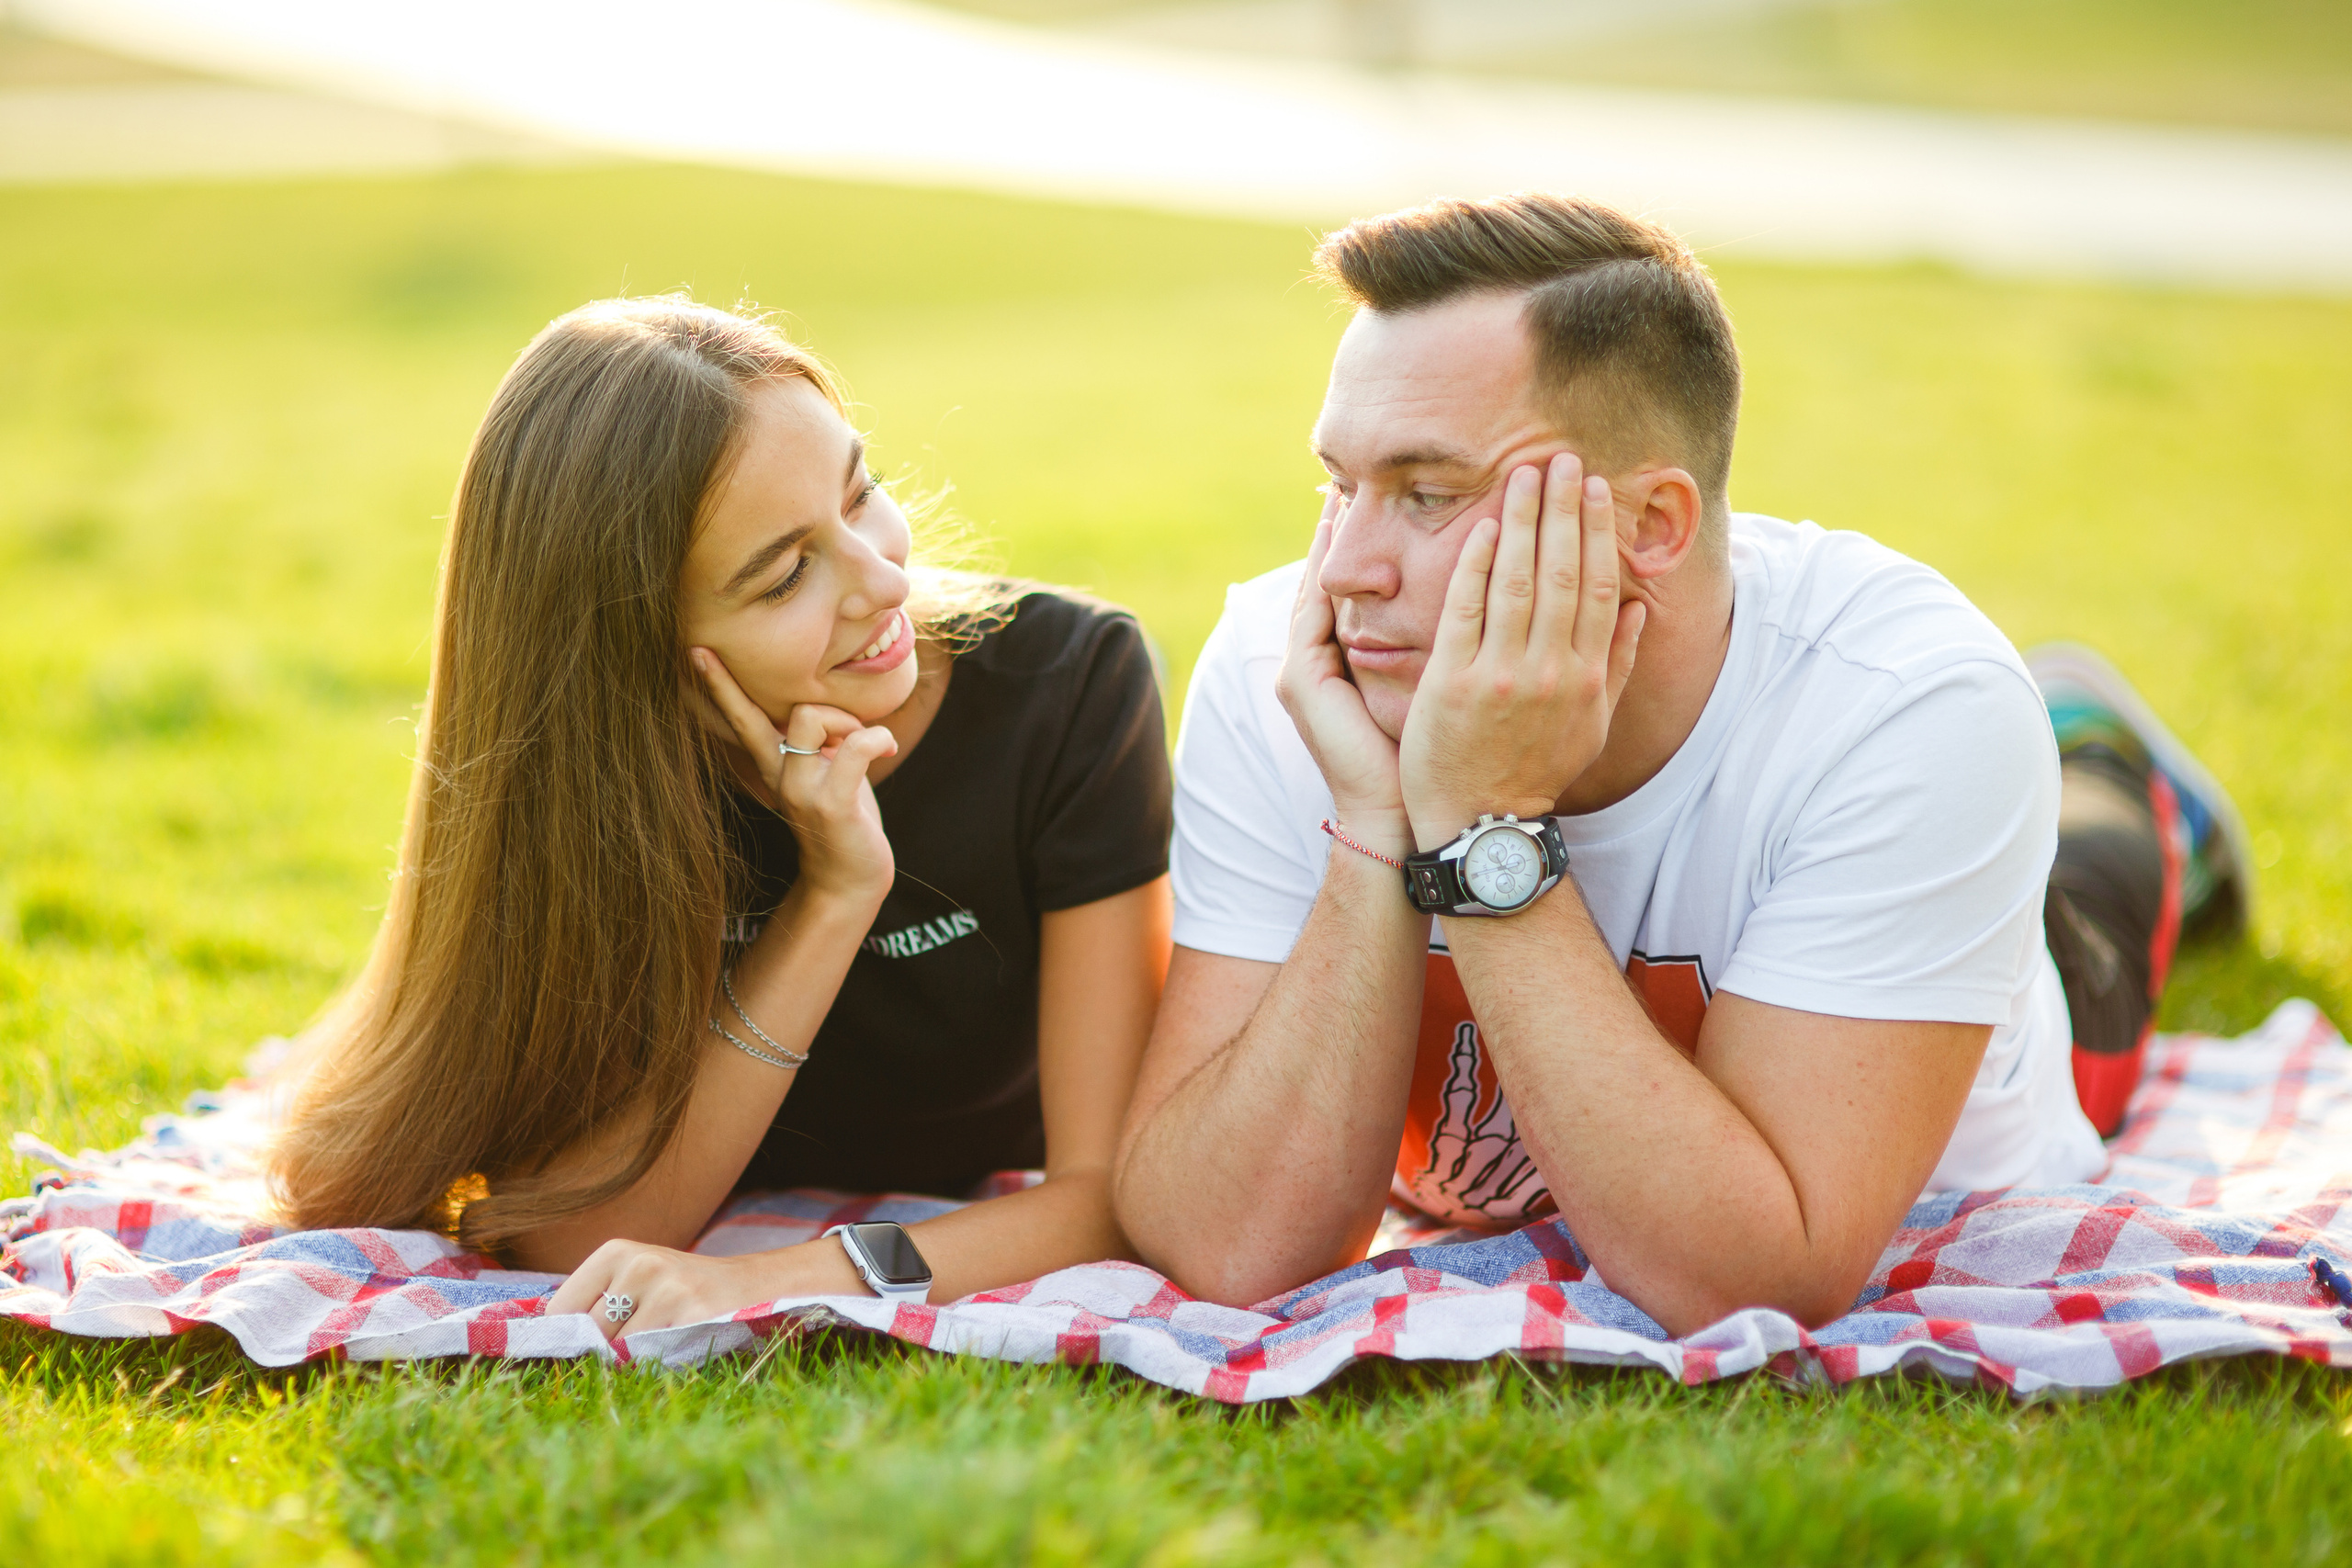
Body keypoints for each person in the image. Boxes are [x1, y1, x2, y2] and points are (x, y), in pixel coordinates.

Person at [1112, 194, 2251, 1333]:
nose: (1347, 567)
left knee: (2091, 880)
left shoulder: (1910, 707)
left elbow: (1753, 1282)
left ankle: (2094, 742)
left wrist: (1481, 822)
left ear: (1649, 524)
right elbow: (1226, 1244)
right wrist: (1374, 822)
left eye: (1428, 493)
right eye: (1339, 486)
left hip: (1985, 1056)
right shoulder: (1288, 667)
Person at [270, 298, 1172, 1337]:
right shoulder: (603, 784)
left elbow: (1106, 1198)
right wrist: (834, 894)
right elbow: (572, 1241)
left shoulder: (1065, 684)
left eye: (862, 492)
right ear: (639, 652)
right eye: (787, 573)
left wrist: (769, 1280)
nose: (882, 578)